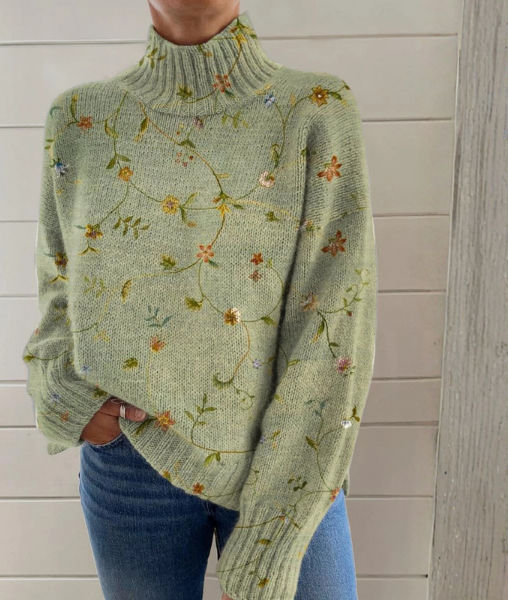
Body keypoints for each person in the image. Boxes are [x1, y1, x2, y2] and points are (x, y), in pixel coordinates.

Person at [21, 1, 378, 598]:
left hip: (292, 460)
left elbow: (337, 318)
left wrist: (276, 527)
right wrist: (63, 391)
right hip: (131, 461)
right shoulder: (80, 118)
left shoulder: (316, 110)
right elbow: (58, 281)